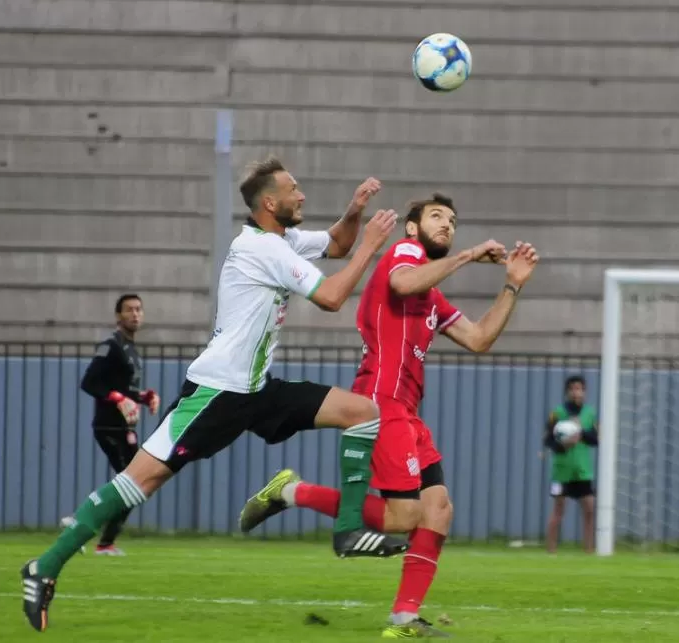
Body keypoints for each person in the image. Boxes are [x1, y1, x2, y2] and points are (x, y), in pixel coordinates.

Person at [20, 157, 406, 633]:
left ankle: (348, 531)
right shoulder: (261, 249)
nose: (301, 195)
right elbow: (330, 297)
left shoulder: (280, 240)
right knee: (140, 482)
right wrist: (370, 246)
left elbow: (338, 243)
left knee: (363, 412)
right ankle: (44, 567)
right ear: (270, 203)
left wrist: (354, 213)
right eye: (294, 189)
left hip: (257, 390)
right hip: (217, 392)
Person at [239, 192, 540, 638]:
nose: (448, 225)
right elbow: (401, 283)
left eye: (453, 221)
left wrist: (512, 284)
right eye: (437, 217)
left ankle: (403, 619)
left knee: (438, 509)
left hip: (409, 413)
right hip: (381, 403)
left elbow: (478, 339)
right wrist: (470, 255)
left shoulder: (432, 296)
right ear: (412, 228)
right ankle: (292, 492)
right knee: (402, 518)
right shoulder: (405, 254)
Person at [63, 293, 160, 556]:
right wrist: (118, 399)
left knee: (134, 483)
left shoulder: (130, 348)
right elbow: (90, 383)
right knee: (132, 482)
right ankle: (87, 527)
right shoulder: (111, 345)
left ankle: (101, 539)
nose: (135, 314)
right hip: (108, 426)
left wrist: (143, 397)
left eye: (139, 309)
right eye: (129, 310)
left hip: (124, 427)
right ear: (118, 316)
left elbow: (122, 389)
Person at [543, 375, 599, 554]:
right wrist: (563, 444)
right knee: (558, 510)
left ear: (584, 392)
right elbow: (548, 440)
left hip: (583, 470)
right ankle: (551, 551)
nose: (576, 392)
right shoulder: (557, 413)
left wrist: (580, 431)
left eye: (580, 389)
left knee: (590, 508)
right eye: (573, 389)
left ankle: (588, 550)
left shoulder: (589, 414)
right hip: (562, 471)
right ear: (567, 392)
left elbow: (595, 440)